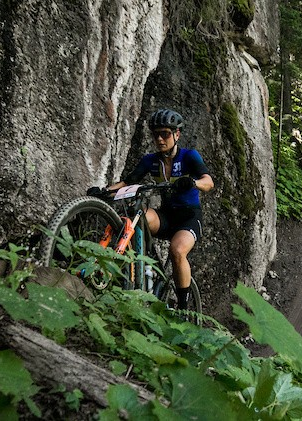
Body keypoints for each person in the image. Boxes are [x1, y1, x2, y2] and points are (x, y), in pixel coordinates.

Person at [90, 109, 214, 310]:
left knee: (177, 251)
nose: (159, 139)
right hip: (166, 216)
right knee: (138, 215)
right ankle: (140, 265)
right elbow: (127, 183)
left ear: (177, 134)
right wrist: (104, 192)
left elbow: (208, 182)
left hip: (189, 217)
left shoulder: (189, 156)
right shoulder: (150, 161)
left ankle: (183, 308)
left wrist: (192, 182)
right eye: (156, 134)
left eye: (165, 133)